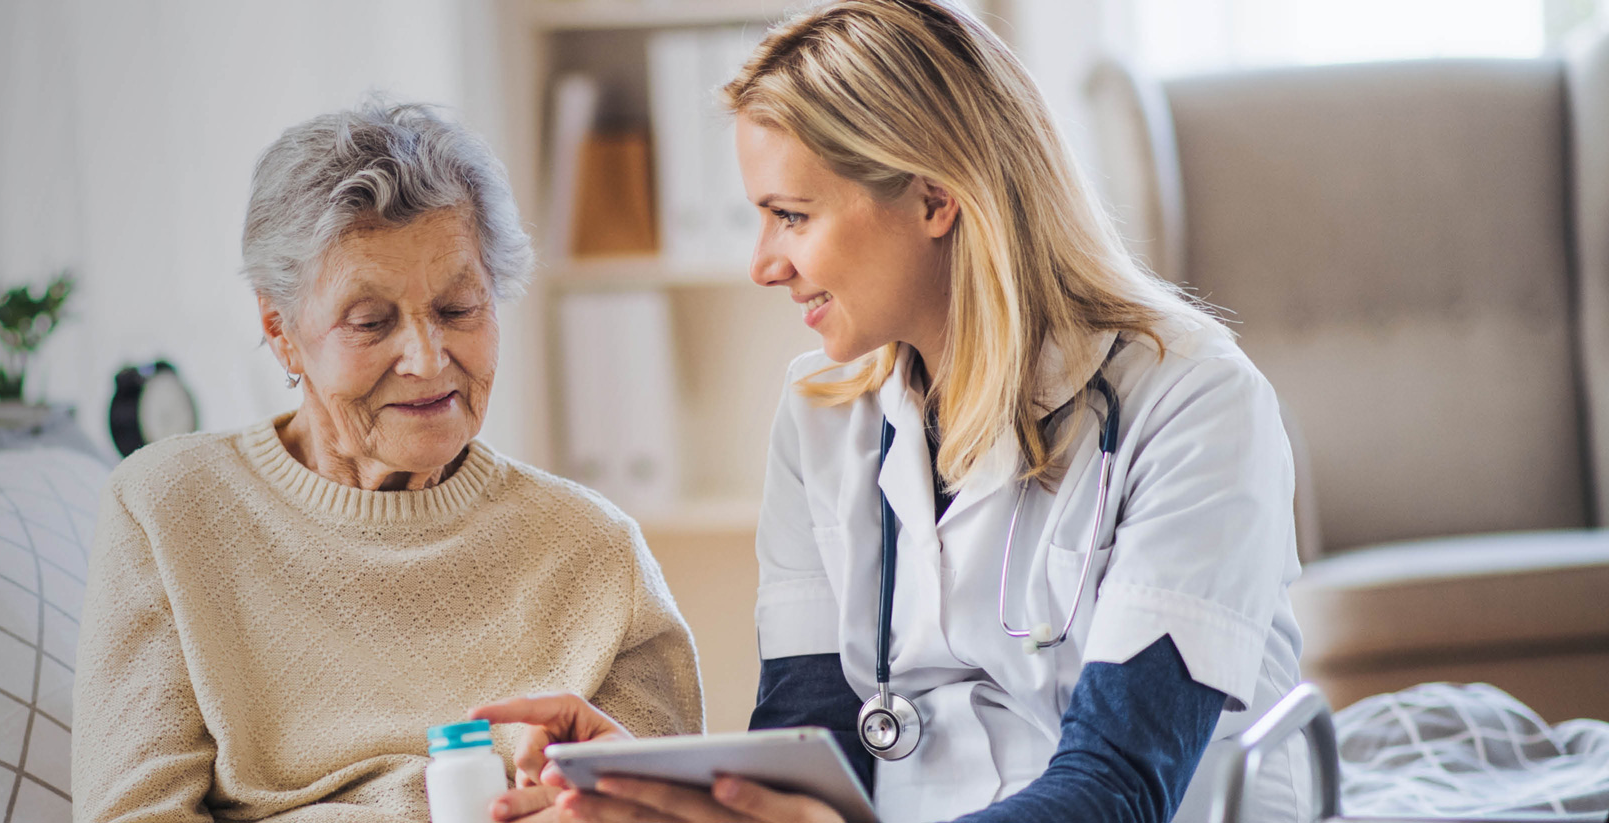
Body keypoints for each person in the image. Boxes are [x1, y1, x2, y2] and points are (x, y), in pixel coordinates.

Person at [471, 2, 1306, 822]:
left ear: (934, 199)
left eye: (790, 216)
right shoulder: (819, 418)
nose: (764, 265)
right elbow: (814, 745)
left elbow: (1120, 787)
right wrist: (667, 794)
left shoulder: (1193, 401)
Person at [71, 102, 704, 823]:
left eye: (459, 308)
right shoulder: (168, 509)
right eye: (371, 322)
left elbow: (666, 810)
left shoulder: (596, 553)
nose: (428, 359)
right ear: (280, 330)